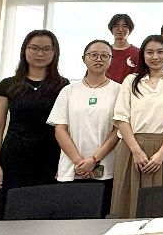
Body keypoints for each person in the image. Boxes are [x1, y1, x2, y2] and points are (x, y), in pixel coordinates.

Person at [0, 30, 69, 220]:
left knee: (45, 212)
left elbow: (65, 126)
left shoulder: (62, 85)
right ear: (25, 50)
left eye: (46, 49)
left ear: (54, 52)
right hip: (14, 156)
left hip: (50, 156)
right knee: (9, 211)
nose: (40, 53)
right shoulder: (8, 85)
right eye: (34, 48)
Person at [110, 34, 163, 218]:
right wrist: (136, 152)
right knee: (127, 204)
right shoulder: (130, 81)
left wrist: (161, 154)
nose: (155, 57)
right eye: (149, 52)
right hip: (131, 147)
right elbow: (121, 117)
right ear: (142, 55)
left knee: (159, 207)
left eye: (160, 52)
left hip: (161, 150)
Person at [48, 39, 120, 217]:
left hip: (104, 167)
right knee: (70, 220)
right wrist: (79, 161)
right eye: (93, 55)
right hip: (72, 167)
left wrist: (94, 160)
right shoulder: (69, 90)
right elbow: (60, 129)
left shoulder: (119, 90)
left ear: (111, 60)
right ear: (84, 58)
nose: (99, 59)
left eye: (105, 56)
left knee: (100, 217)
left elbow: (117, 130)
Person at [107, 13, 139, 83]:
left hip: (129, 89)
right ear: (111, 29)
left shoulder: (138, 53)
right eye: (116, 26)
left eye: (124, 26)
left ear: (130, 30)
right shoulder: (105, 52)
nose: (120, 29)